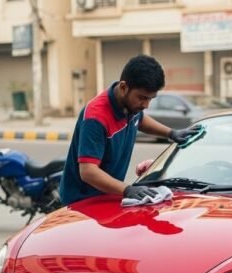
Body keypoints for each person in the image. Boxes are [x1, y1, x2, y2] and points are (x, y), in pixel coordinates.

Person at [59, 54, 200, 205]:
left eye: (150, 99)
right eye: (142, 98)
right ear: (123, 87)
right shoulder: (95, 117)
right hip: (82, 202)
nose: (146, 105)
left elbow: (140, 120)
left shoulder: (130, 106)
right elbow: (88, 172)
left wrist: (171, 133)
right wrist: (128, 189)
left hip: (108, 195)